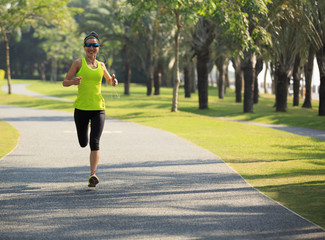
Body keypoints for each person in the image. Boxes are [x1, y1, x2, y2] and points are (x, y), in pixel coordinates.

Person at [62, 31, 118, 187]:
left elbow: (109, 81)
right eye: (88, 45)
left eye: (94, 45)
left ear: (99, 47)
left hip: (98, 108)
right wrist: (73, 82)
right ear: (84, 47)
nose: (91, 48)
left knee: (95, 142)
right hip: (81, 108)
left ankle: (93, 175)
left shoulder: (101, 65)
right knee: (83, 142)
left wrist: (114, 82)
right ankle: (85, 127)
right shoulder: (78, 63)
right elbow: (65, 82)